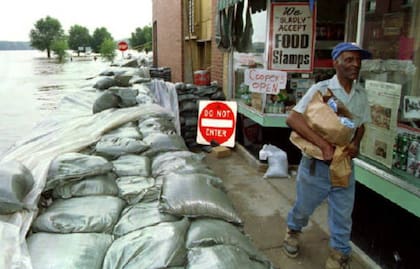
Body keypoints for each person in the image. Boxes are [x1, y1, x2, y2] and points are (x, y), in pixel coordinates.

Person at [284, 42, 372, 269]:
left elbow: (360, 125)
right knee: (304, 206)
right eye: (350, 59)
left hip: (343, 164)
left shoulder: (361, 94)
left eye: (358, 60)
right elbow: (293, 118)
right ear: (336, 62)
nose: (356, 64)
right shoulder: (323, 90)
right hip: (317, 165)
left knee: (343, 213)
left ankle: (339, 253)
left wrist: (355, 144)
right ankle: (293, 230)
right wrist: (323, 145)